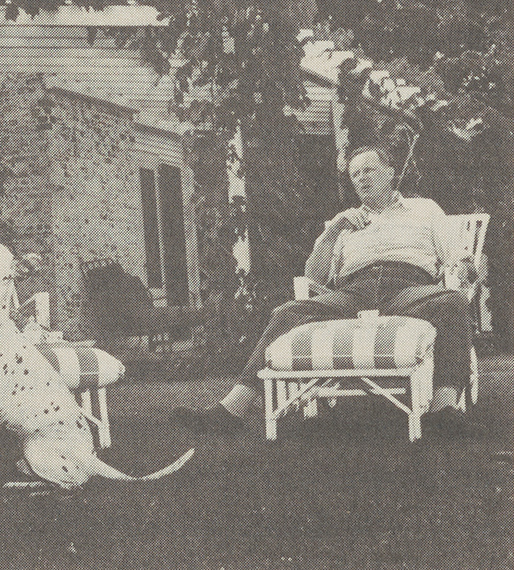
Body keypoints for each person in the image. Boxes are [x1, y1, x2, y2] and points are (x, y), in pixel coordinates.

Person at [172, 145, 477, 438]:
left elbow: (459, 257)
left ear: (390, 172)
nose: (361, 178)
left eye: (368, 170)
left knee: (452, 301)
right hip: (353, 292)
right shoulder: (343, 222)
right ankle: (231, 409)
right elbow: (313, 277)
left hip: (407, 287)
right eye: (355, 174)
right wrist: (333, 230)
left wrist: (463, 268)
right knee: (287, 312)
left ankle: (443, 408)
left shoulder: (424, 209)